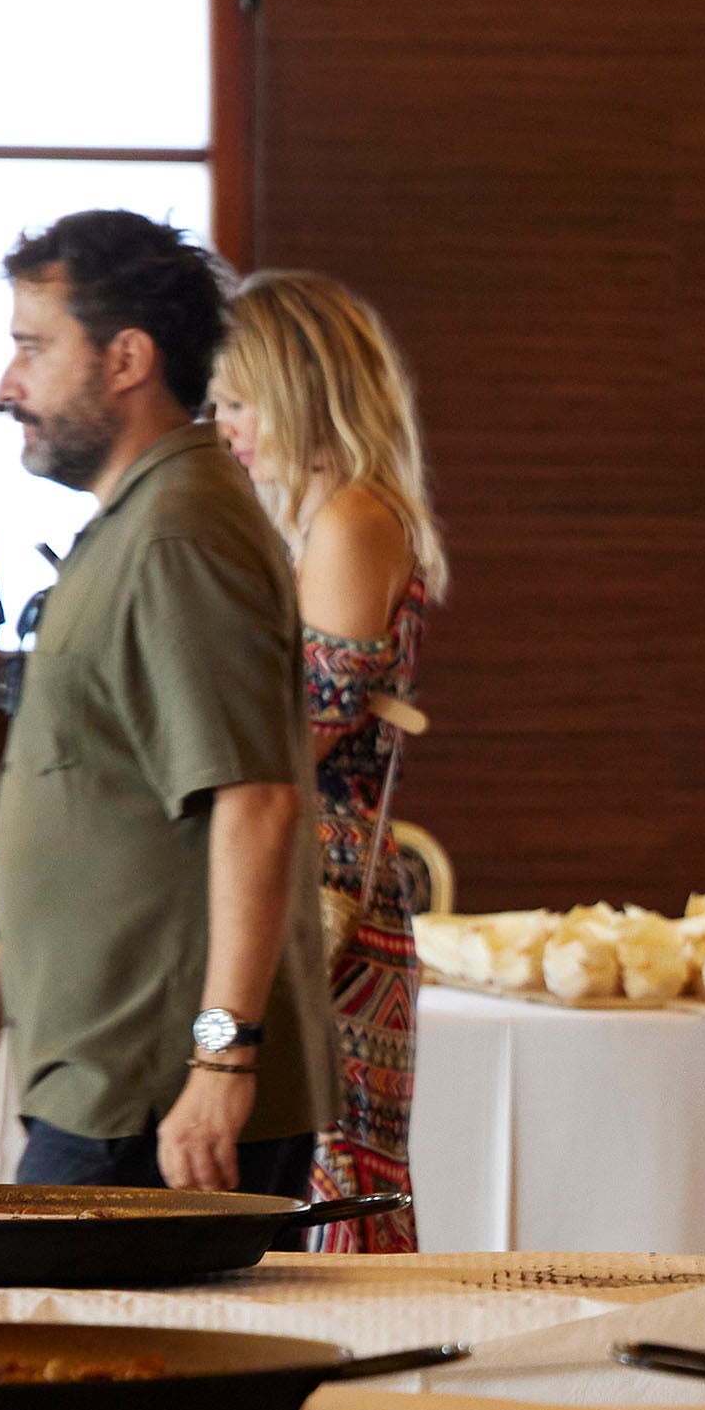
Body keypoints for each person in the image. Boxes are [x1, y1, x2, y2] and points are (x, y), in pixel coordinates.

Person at [0, 210, 331, 1194]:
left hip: (158, 1101)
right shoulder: (139, 522)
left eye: (33, 350)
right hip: (115, 1081)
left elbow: (256, 803)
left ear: (126, 359)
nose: (9, 387)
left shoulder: (181, 534)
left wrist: (222, 1059)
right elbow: (104, 815)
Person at [210, 271, 447, 1251]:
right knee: (316, 1169)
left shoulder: (350, 520)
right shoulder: (324, 518)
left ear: (297, 391)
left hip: (326, 896)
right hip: (317, 883)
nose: (220, 423)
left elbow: (292, 735)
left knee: (333, 1172)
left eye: (235, 399)